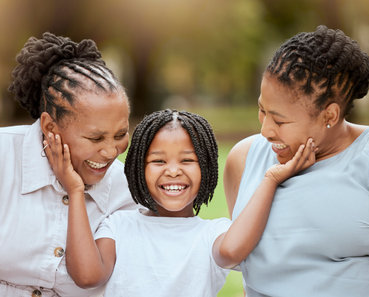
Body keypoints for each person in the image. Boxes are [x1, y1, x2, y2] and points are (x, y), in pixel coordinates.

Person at [43, 109, 316, 297]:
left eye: (187, 160)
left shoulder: (213, 234)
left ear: (207, 168)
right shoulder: (119, 225)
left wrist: (270, 179)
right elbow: (88, 276)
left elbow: (232, 252)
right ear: (138, 167)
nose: (173, 171)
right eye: (159, 161)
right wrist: (75, 190)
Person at [224, 25, 369, 296]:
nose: (265, 130)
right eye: (262, 110)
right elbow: (248, 275)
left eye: (280, 120)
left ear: (330, 115)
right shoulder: (243, 158)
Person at [0, 32, 138, 297]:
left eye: (121, 134)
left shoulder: (125, 189)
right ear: (49, 126)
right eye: (95, 137)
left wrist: (76, 190)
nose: (111, 151)